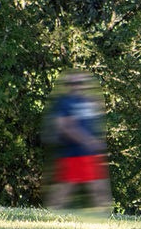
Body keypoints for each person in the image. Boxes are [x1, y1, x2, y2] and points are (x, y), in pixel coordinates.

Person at [45, 72, 111, 211]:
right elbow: (64, 127)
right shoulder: (64, 102)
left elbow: (92, 124)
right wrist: (88, 141)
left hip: (89, 152)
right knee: (65, 187)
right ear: (67, 86)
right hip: (72, 152)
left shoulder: (87, 102)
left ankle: (105, 221)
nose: (76, 86)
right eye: (72, 84)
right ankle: (49, 214)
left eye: (79, 83)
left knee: (99, 187)